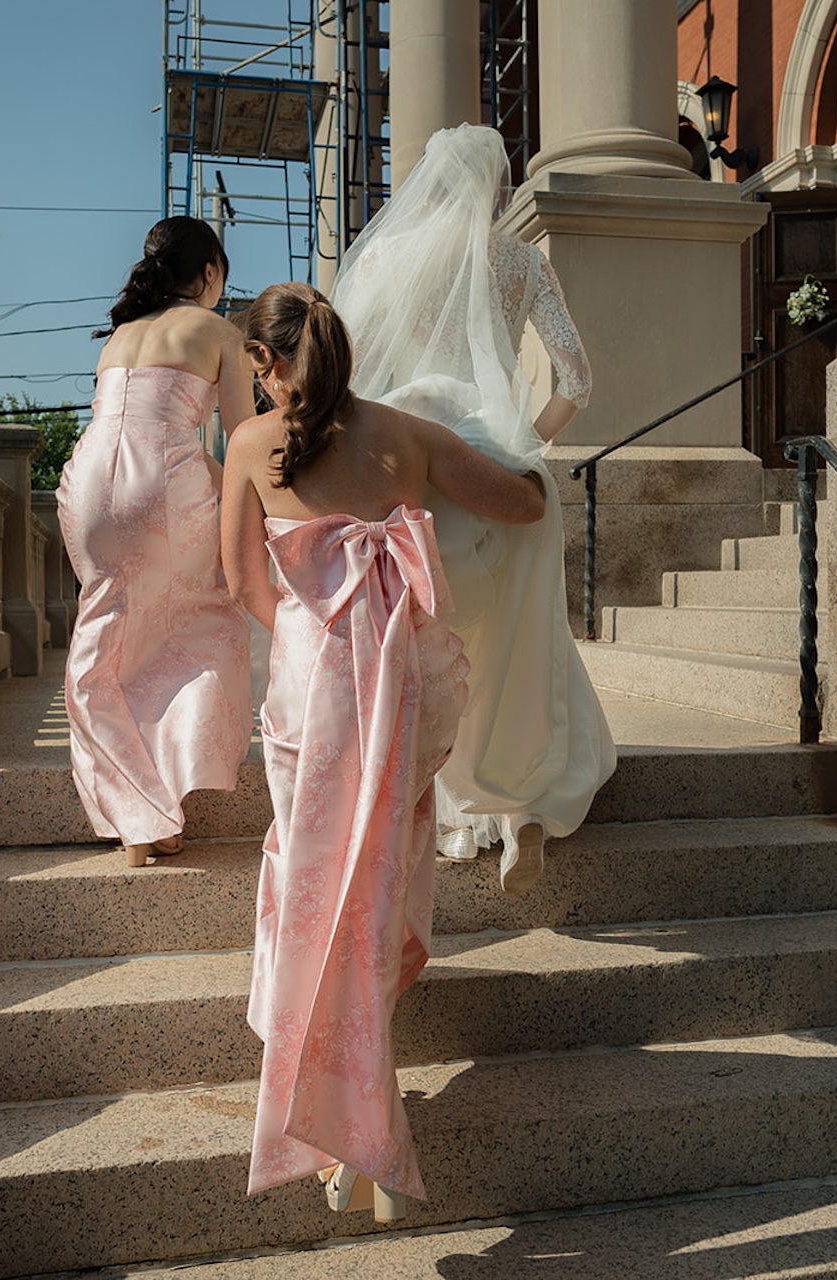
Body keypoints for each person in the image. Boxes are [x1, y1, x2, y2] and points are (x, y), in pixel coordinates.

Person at [222, 282, 547, 1221]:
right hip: (395, 684)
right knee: (373, 886)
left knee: (315, 886)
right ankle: (360, 1119)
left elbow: (246, 580)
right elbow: (521, 506)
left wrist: (311, 635)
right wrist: (533, 470)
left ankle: (347, 1127)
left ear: (265, 363)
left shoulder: (248, 445)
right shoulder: (406, 435)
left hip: (311, 684)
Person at [331, 122, 616, 894]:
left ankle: (454, 818)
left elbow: (343, 374)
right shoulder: (523, 261)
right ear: (496, 188)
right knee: (516, 636)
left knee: (429, 639)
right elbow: (578, 380)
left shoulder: (389, 257)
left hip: (409, 463)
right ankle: (515, 806)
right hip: (497, 462)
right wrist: (525, 443)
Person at [55, 216, 255, 868]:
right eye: (220, 277)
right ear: (207, 274)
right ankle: (158, 802)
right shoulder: (220, 330)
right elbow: (244, 443)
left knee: (105, 652)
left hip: (88, 486)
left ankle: (140, 818)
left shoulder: (116, 338)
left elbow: (127, 427)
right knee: (203, 626)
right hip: (165, 487)